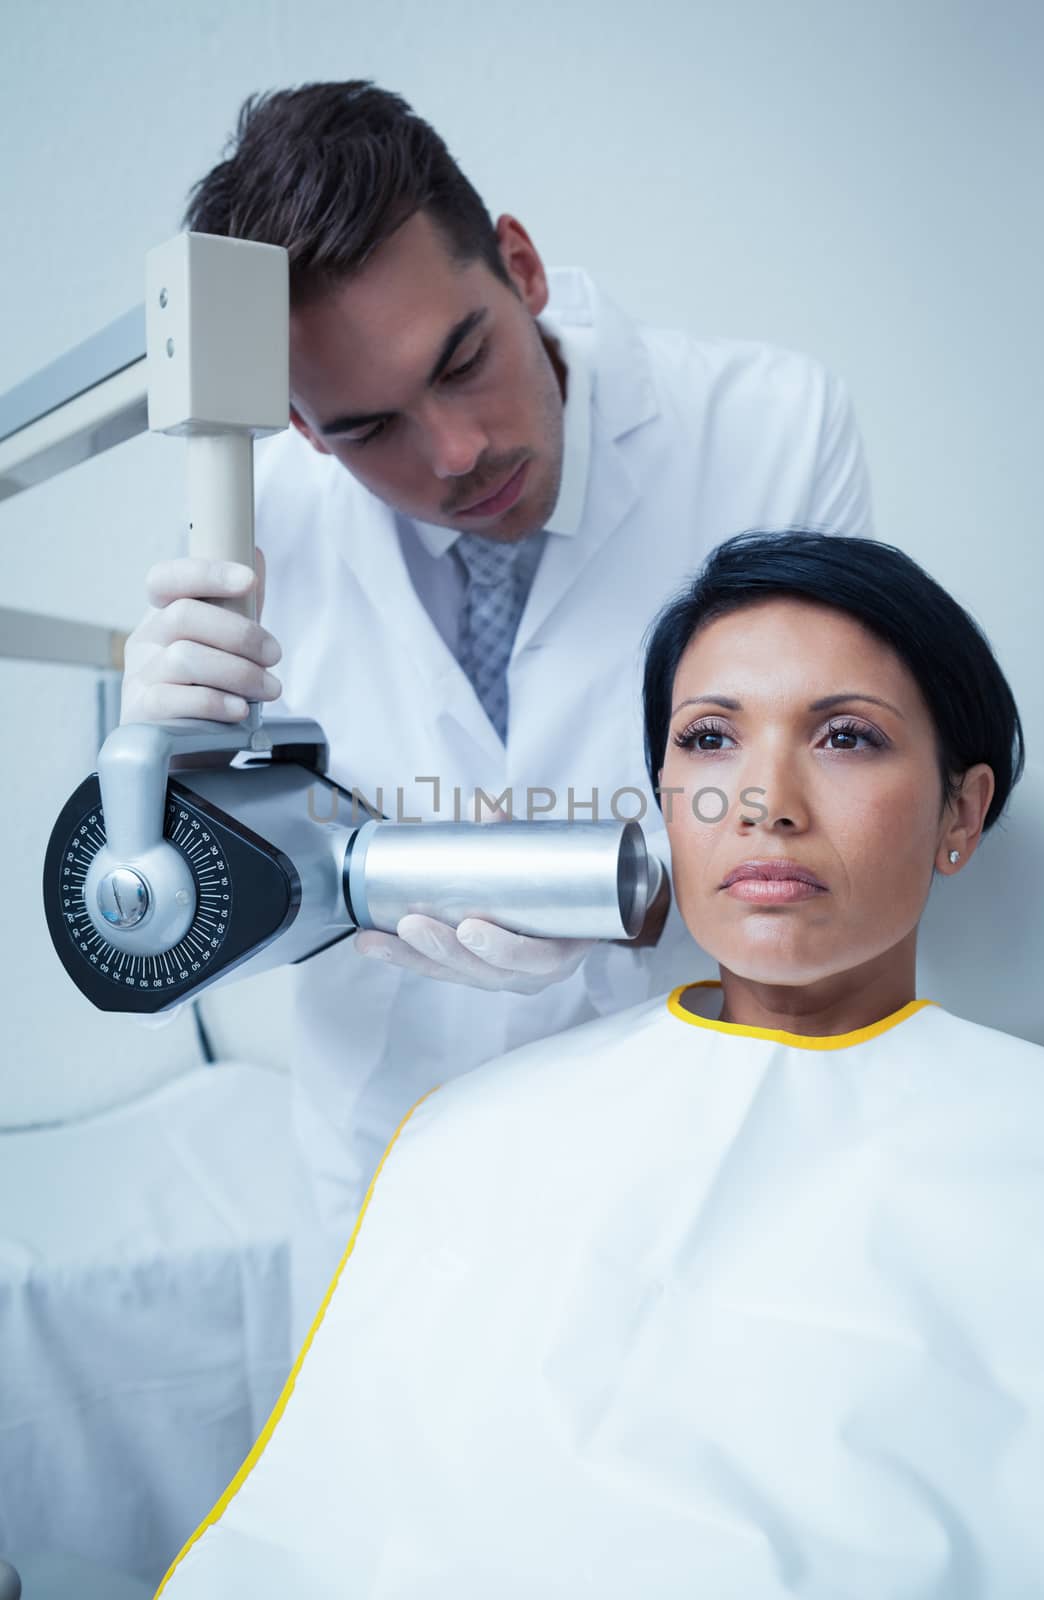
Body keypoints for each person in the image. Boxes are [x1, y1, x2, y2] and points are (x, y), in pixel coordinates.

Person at [156, 530, 1044, 1600]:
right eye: (710, 739)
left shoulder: (1032, 1147)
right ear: (665, 795)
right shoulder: (476, 1134)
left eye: (846, 737)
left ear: (960, 812)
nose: (764, 802)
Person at [119, 82, 873, 1331]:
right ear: (303, 430)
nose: (453, 452)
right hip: (393, 1155)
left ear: (518, 266)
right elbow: (208, 918)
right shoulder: (252, 532)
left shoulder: (769, 431)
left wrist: (625, 897)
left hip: (697, 1139)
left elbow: (846, 806)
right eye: (367, 427)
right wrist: (171, 785)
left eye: (460, 360)